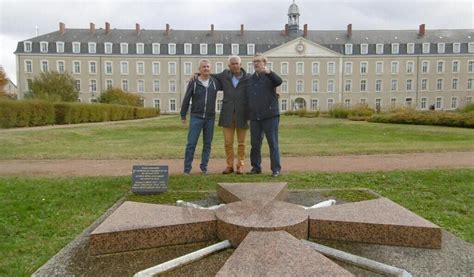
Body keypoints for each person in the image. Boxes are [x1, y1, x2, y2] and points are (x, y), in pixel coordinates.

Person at [180, 59, 222, 175]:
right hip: (196, 117)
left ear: (210, 68)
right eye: (203, 67)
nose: (206, 68)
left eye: (208, 67)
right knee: (191, 143)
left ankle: (204, 167)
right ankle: (187, 169)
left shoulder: (214, 82)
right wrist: (183, 114)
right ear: (199, 69)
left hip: (210, 118)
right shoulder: (194, 82)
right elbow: (187, 98)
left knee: (207, 144)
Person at [246, 54, 283, 177]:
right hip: (255, 117)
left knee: (273, 143)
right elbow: (248, 98)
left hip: (270, 115)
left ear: (264, 63)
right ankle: (256, 167)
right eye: (254, 61)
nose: (256, 63)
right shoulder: (250, 79)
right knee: (255, 144)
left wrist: (269, 72)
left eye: (259, 61)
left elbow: (279, 81)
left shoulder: (270, 77)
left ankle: (276, 169)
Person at [213, 55, 251, 174]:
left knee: (242, 143)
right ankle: (229, 165)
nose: (235, 65)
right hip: (227, 114)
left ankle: (240, 165)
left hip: (243, 114)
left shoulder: (248, 77)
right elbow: (210, 75)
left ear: (241, 64)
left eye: (237, 63)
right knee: (228, 143)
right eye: (232, 64)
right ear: (229, 66)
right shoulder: (224, 75)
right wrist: (197, 74)